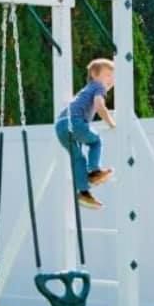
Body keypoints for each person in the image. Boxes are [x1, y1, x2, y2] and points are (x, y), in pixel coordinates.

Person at [56, 59, 116, 209]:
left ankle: (83, 192)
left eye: (113, 77)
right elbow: (99, 106)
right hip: (74, 122)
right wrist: (111, 122)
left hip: (60, 126)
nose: (111, 80)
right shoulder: (98, 86)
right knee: (96, 141)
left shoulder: (87, 89)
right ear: (95, 75)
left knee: (78, 158)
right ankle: (94, 170)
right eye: (108, 75)